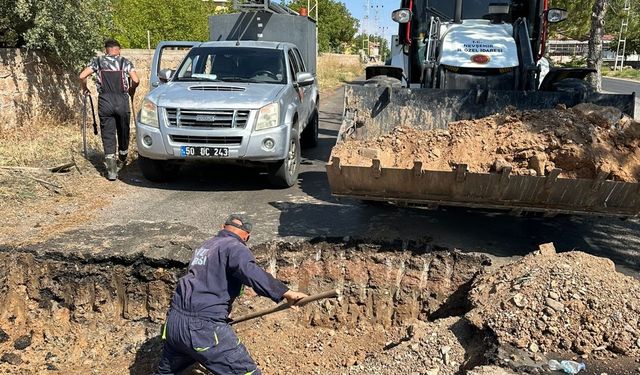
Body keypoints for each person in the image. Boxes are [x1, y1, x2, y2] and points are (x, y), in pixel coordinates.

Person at [154, 214, 308, 375]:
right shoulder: (235, 247)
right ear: (247, 236)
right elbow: (250, 272)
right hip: (202, 328)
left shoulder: (205, 247)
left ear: (222, 227)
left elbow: (203, 282)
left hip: (174, 323)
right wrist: (286, 292)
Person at [79, 38, 139, 180]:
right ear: (118, 49)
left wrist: (85, 88)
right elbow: (136, 80)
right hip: (122, 100)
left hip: (105, 100)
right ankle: (122, 157)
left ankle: (111, 171)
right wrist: (131, 90)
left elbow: (82, 76)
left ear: (106, 49)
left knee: (108, 133)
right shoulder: (125, 62)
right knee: (123, 129)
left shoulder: (98, 62)